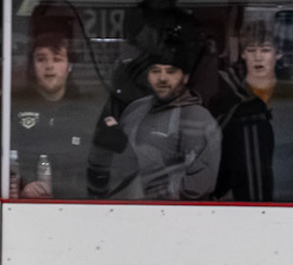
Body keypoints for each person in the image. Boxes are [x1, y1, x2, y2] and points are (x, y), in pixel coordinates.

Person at [87, 41, 220, 200]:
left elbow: (200, 185)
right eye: (155, 71)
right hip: (126, 214)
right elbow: (118, 166)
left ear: (185, 77)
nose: (162, 78)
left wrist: (155, 197)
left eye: (171, 71)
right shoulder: (134, 110)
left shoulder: (198, 118)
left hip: (174, 218)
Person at [210, 20, 293, 202]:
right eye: (251, 50)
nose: (258, 57)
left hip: (287, 186)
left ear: (278, 54)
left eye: (265, 50)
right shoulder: (227, 97)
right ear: (243, 54)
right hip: (237, 194)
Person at [11, 32, 93, 198]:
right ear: (32, 66)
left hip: (77, 206)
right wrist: (24, 183)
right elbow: (2, 158)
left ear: (69, 66)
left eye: (57, 59)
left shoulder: (87, 110)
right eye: (41, 59)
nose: (49, 66)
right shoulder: (13, 106)